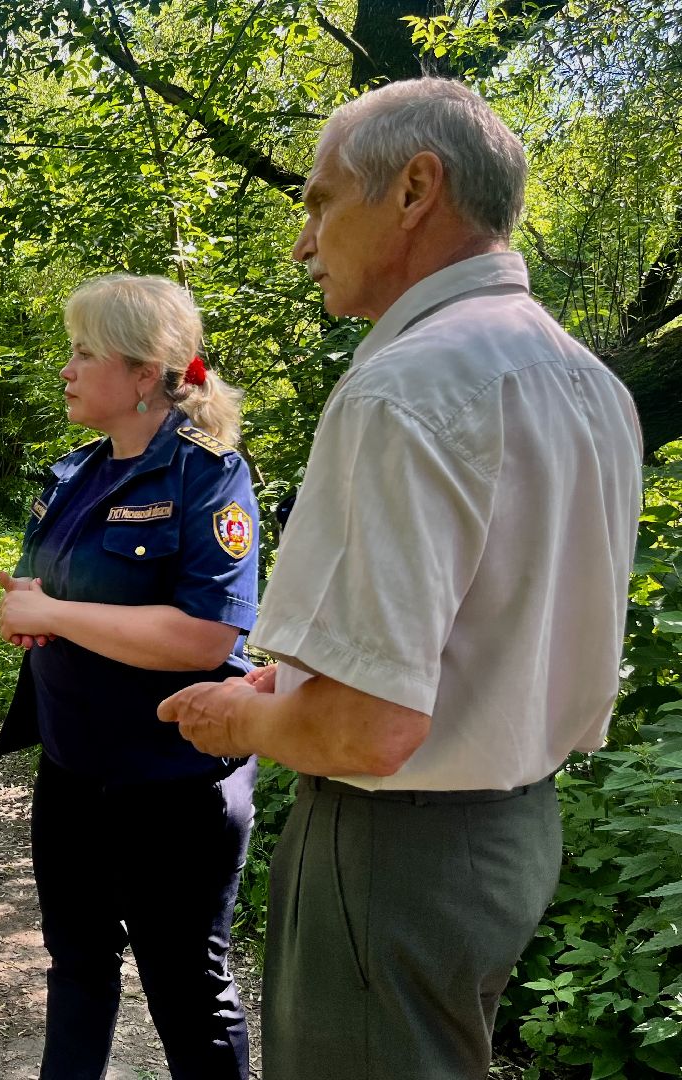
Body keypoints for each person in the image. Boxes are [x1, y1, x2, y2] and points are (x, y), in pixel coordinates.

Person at [158, 78, 643, 1079]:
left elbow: (367, 729)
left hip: (393, 857)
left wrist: (234, 718)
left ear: (415, 187)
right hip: (515, 835)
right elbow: (484, 640)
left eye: (320, 201)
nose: (304, 241)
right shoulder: (589, 383)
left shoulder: (405, 386)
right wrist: (301, 686)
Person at [0, 273, 260, 1079]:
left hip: (174, 781)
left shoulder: (207, 476)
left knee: (186, 987)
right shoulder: (78, 471)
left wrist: (58, 617)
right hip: (74, 769)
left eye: (84, 353)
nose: (66, 370)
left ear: (145, 373)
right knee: (75, 968)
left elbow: (207, 636)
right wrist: (35, 616)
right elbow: (44, 592)